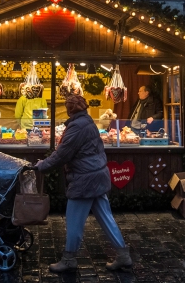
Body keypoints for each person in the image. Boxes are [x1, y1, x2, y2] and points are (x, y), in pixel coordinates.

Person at [35, 95, 132, 273]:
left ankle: (69, 259)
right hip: (97, 174)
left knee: (73, 220)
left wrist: (42, 166)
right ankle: (123, 255)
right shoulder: (87, 121)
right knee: (106, 217)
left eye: (67, 106)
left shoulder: (77, 126)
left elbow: (62, 154)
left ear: (71, 108)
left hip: (84, 179)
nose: (67, 109)